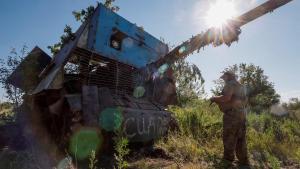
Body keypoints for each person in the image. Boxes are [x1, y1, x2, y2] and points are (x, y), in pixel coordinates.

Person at [210, 71, 249, 167]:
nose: (223, 79)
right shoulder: (242, 86)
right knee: (241, 138)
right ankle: (243, 161)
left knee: (229, 137)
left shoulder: (230, 84)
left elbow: (226, 98)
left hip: (232, 116)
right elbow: (245, 101)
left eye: (224, 77)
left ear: (229, 76)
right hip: (242, 115)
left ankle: (228, 160)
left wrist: (214, 98)